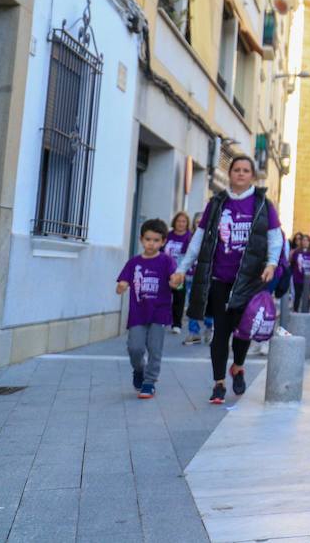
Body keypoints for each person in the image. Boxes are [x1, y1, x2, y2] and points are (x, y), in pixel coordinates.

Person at [170, 155, 284, 404]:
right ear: (230, 174)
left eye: (246, 170)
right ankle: (219, 383)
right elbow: (199, 238)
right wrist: (182, 268)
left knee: (243, 330)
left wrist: (272, 263)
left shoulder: (263, 204)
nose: (241, 173)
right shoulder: (217, 203)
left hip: (250, 280)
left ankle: (238, 366)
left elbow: (275, 237)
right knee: (221, 332)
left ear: (252, 175)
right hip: (219, 278)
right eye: (236, 169)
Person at [117, 219, 177, 400]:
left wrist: (176, 281)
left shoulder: (166, 261)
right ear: (141, 239)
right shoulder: (133, 262)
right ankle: (139, 369)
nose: (151, 243)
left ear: (163, 241)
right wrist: (121, 286)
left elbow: (174, 280)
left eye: (156, 240)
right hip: (138, 313)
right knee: (134, 348)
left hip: (159, 312)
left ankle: (149, 382)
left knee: (154, 348)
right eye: (148, 239)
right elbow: (122, 282)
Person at [163, 212, 192, 335]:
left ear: (187, 223)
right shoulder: (167, 236)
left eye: (183, 221)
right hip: (164, 272)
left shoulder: (189, 237)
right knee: (163, 297)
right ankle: (162, 320)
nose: (181, 224)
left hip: (179, 273)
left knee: (179, 298)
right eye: (178, 221)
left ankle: (176, 324)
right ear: (174, 222)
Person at [289, 233, 310, 314]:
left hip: (308, 278)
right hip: (298, 277)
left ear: (309, 242)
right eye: (303, 240)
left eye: (307, 240)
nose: (305, 242)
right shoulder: (297, 252)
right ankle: (295, 310)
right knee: (297, 295)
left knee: (307, 295)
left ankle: (306, 311)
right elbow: (293, 263)